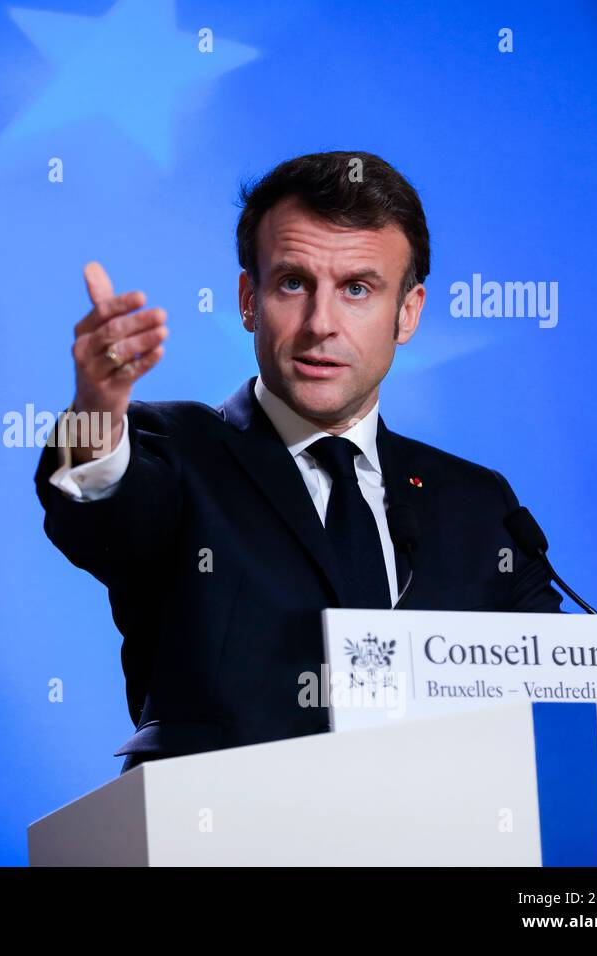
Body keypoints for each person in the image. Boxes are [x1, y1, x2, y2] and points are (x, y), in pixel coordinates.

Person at [33, 151, 563, 774]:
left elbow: (558, 687)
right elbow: (98, 507)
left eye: (357, 289)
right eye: (292, 283)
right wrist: (97, 406)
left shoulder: (478, 505)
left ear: (409, 312)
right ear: (248, 300)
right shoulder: (175, 449)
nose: (320, 325)